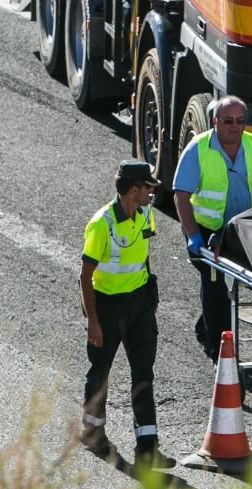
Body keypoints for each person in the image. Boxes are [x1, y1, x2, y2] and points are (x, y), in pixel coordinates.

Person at [173, 95, 252, 362]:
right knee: (215, 285)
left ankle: (205, 328)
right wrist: (193, 236)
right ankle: (219, 351)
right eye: (228, 121)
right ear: (215, 122)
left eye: (240, 121)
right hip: (205, 230)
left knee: (233, 283)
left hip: (242, 231)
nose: (234, 126)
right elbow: (181, 195)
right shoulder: (198, 149)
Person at [80, 161, 176, 469]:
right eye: (148, 188)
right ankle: (93, 434)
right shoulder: (101, 224)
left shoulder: (146, 213)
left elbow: (144, 255)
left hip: (140, 304)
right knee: (101, 372)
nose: (152, 193)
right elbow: (85, 277)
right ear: (134, 190)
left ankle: (147, 448)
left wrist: (151, 291)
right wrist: (92, 321)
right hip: (107, 307)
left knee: (144, 374)